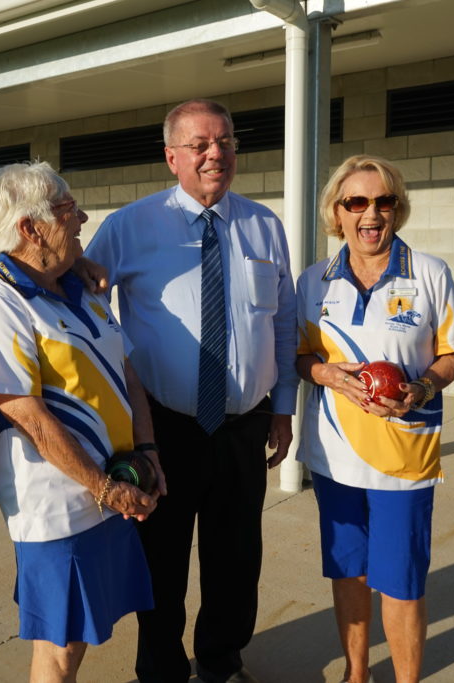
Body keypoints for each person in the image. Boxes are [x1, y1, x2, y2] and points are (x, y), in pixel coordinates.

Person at [84, 99, 299, 683]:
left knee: (235, 559)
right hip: (164, 428)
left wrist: (282, 410)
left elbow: (282, 323)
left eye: (225, 142)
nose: (215, 154)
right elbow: (83, 312)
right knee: (162, 560)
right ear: (171, 157)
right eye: (200, 144)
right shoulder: (129, 227)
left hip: (243, 424)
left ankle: (221, 661)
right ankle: (160, 670)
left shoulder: (264, 225)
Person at [0, 161, 164, 682]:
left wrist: (149, 451)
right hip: (57, 505)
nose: (83, 218)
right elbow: (23, 412)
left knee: (79, 640)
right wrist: (104, 488)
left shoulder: (82, 289)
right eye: (69, 209)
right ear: (30, 228)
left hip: (107, 490)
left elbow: (128, 375)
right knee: (60, 644)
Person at [294, 155, 454, 683]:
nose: (370, 214)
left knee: (400, 581)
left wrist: (423, 387)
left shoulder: (430, 273)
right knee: (349, 572)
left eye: (383, 201)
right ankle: (357, 674)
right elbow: (301, 356)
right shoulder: (314, 282)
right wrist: (326, 374)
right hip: (335, 457)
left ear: (397, 210)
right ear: (337, 212)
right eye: (356, 202)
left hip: (404, 458)